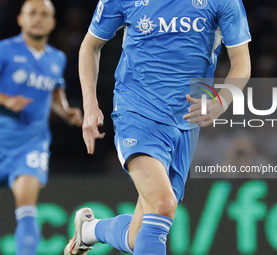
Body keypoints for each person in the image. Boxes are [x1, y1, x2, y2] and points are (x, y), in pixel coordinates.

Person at [65, 0, 251, 254]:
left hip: (186, 122)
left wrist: (221, 100)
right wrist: (90, 104)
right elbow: (90, 45)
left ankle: (89, 231)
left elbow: (241, 63)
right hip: (137, 112)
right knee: (164, 203)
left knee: (138, 237)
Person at [0, 1, 83, 254]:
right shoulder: (4, 50)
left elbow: (55, 95)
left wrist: (66, 111)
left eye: (44, 14)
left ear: (53, 22)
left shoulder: (57, 58)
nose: (38, 18)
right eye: (32, 13)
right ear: (20, 20)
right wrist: (6, 100)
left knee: (26, 208)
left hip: (30, 144)